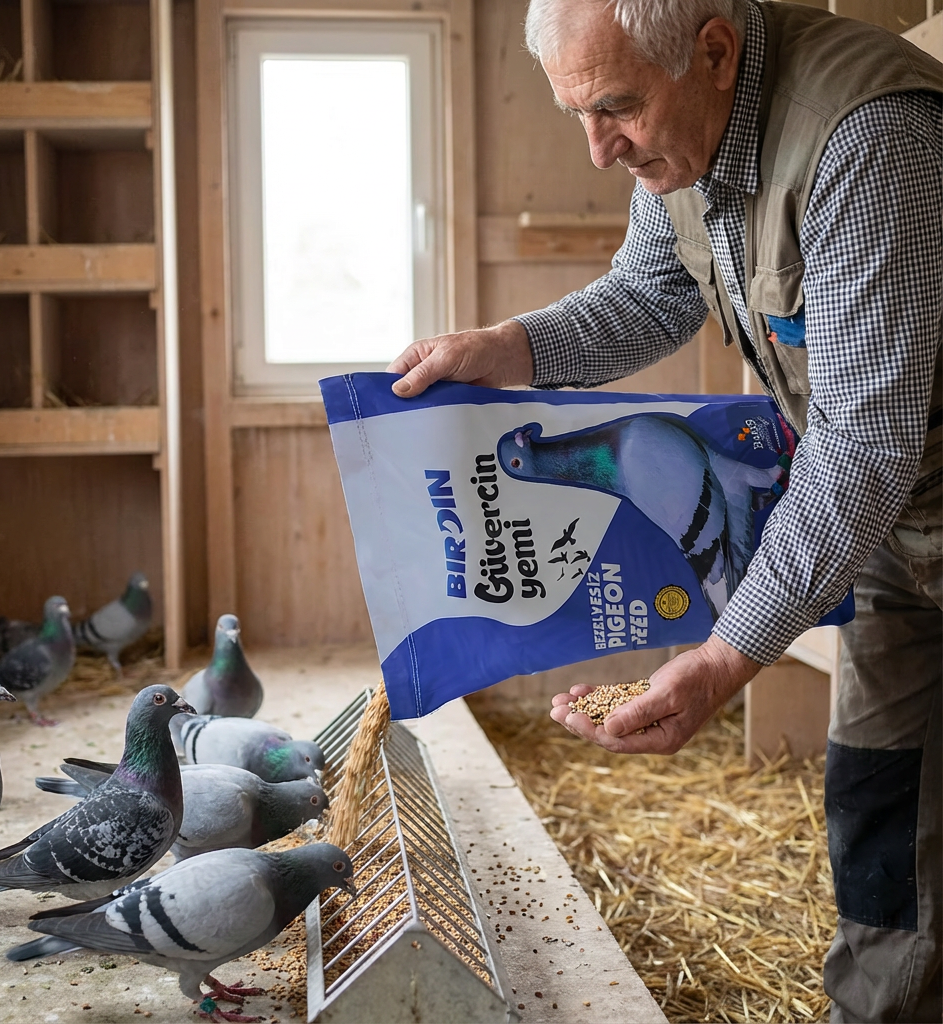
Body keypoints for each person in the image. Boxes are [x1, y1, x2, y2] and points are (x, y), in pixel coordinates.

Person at [387, 1, 941, 1019]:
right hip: (888, 538)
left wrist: (730, 653)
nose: (598, 150)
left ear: (715, 52)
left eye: (615, 109)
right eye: (577, 115)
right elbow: (648, 294)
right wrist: (507, 347)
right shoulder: (683, 146)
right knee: (877, 810)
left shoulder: (868, 136)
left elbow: (860, 443)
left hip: (883, 489)